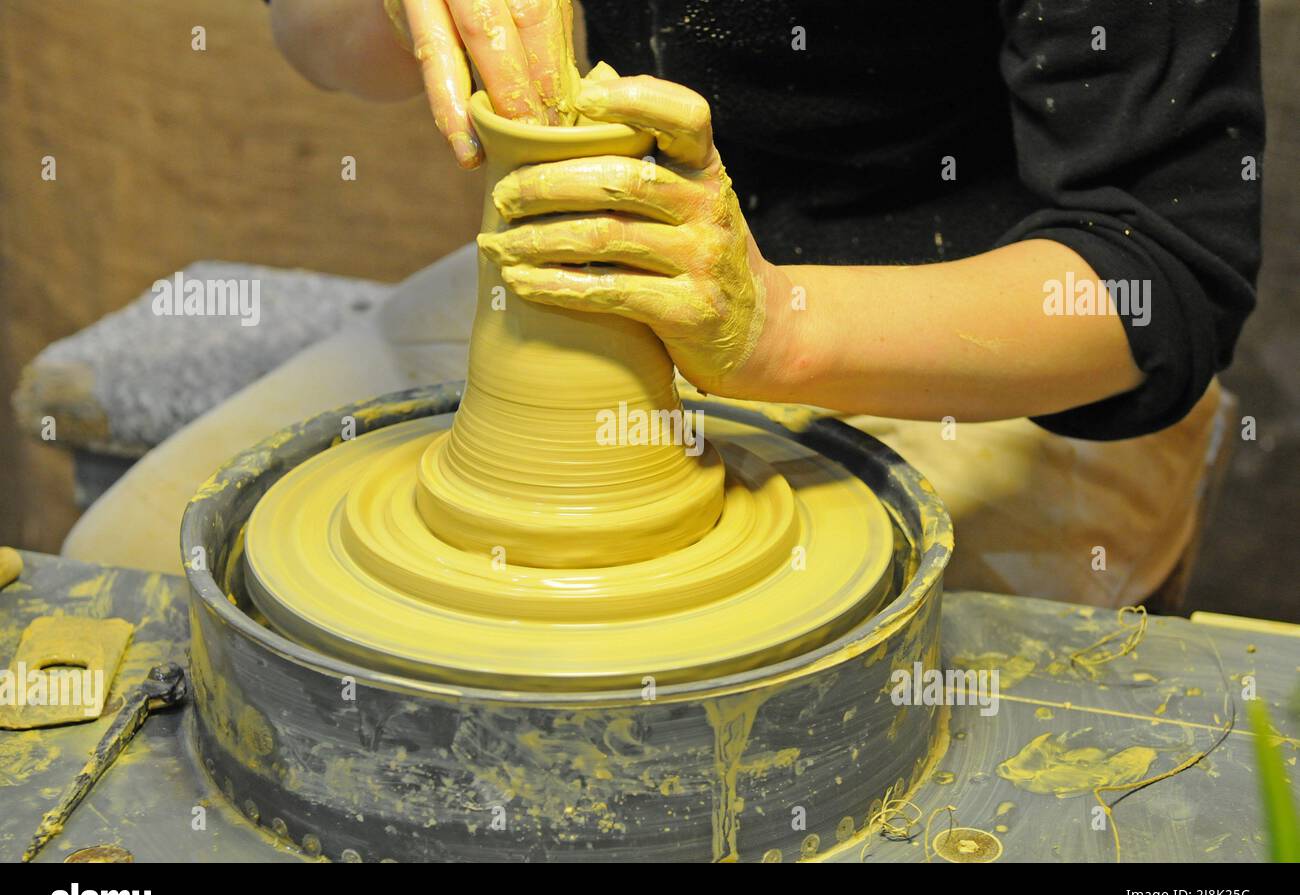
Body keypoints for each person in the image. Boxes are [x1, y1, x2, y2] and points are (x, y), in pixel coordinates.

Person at [65, 1, 1262, 608]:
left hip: (976, 338)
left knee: (718, 746)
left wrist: (778, 329)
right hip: (583, 282)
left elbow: (1161, 262)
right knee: (126, 587)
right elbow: (315, 40)